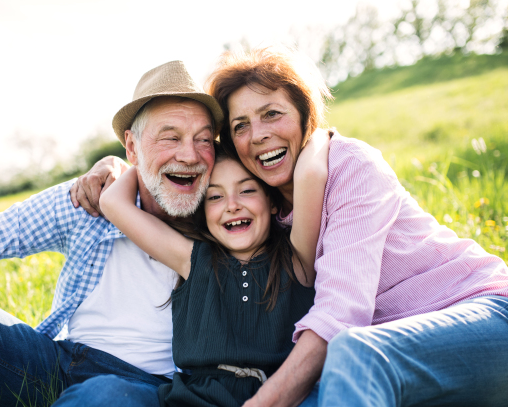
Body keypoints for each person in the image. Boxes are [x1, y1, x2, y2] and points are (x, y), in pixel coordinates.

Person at [73, 46, 508, 407]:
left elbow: (341, 316)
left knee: (351, 356)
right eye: (241, 125)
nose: (258, 134)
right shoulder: (265, 216)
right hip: (400, 355)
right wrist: (118, 162)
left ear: (305, 118)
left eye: (272, 114)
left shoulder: (350, 165)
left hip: (480, 316)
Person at [0, 60, 224, 407]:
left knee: (100, 394)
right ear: (131, 148)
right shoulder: (89, 200)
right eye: (170, 137)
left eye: (203, 139)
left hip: (147, 388)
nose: (189, 154)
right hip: (56, 364)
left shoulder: (227, 220)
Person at [97, 141, 325, 406]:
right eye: (215, 197)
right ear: (203, 213)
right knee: (104, 394)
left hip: (283, 397)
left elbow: (311, 174)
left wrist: (319, 134)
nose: (232, 205)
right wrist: (141, 163)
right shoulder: (193, 260)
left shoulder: (297, 259)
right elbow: (112, 202)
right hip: (195, 400)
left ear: (272, 202)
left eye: (247, 190)